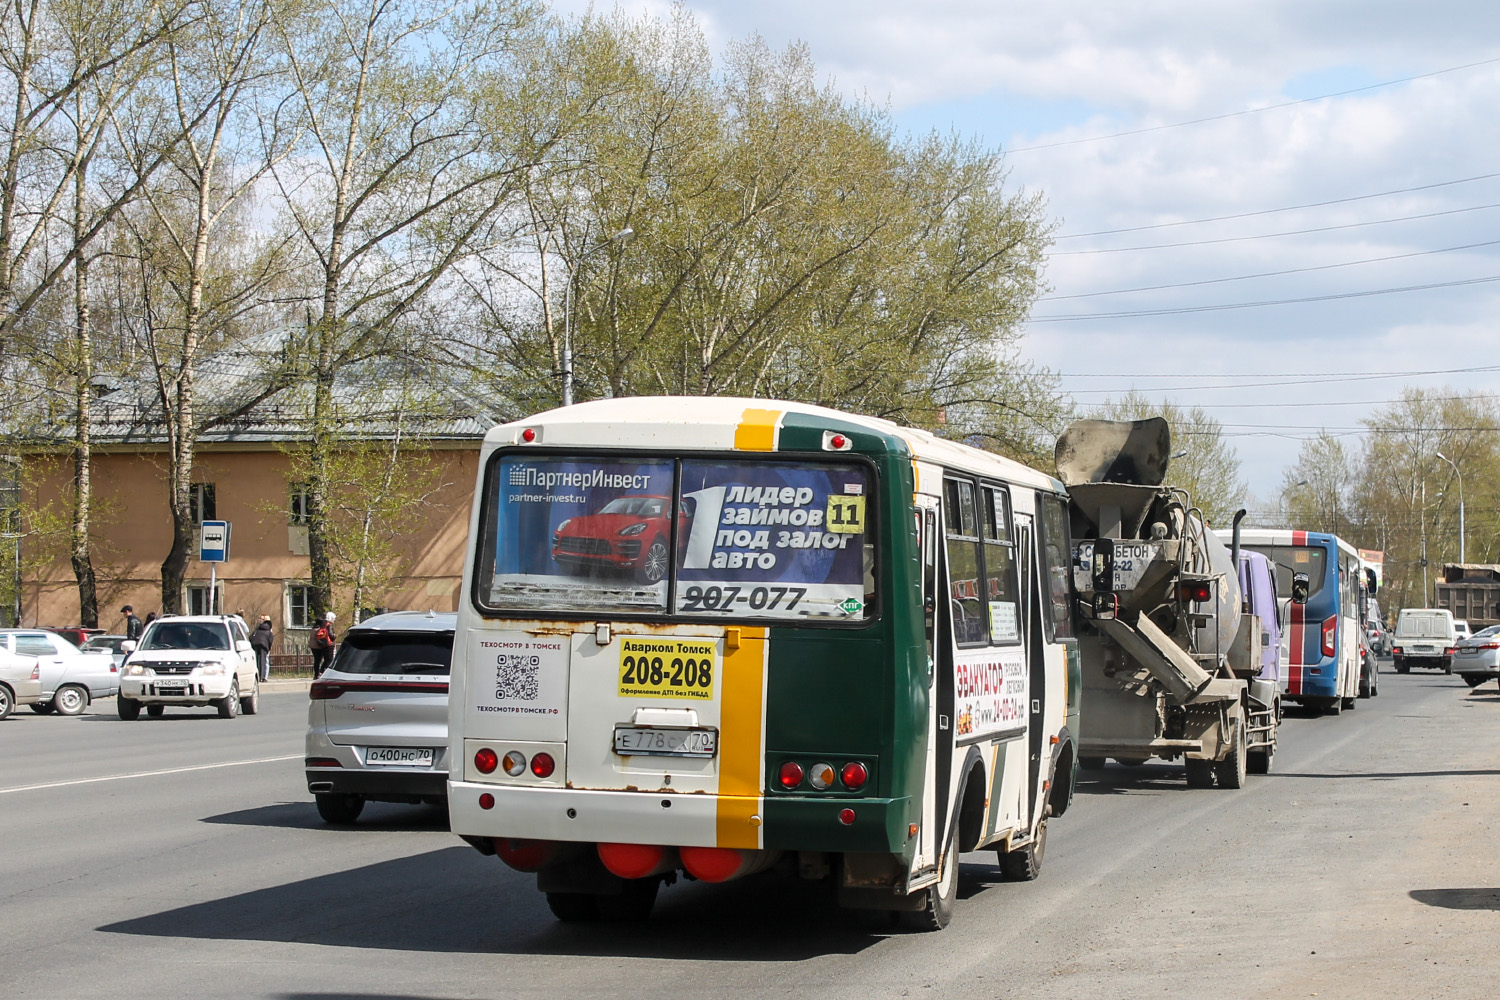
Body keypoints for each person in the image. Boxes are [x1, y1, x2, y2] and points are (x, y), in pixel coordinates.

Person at [310, 611, 337, 677]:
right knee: (329, 659)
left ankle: (319, 673)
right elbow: (330, 634)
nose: (334, 620)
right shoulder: (329, 625)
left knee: (322, 660)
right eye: (333, 618)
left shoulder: (323, 624)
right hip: (328, 644)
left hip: (323, 644)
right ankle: (323, 672)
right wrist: (334, 636)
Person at [250, 614, 275, 682]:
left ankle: (257, 677)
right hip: (264, 646)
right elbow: (270, 640)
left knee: (256, 661)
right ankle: (263, 677)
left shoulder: (258, 628)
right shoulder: (269, 630)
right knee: (263, 661)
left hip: (255, 645)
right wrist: (269, 648)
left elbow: (251, 637)